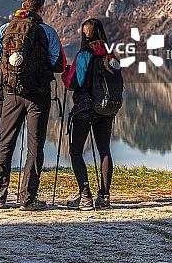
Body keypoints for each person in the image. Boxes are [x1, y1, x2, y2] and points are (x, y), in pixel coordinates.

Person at [0, 0, 66, 211]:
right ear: (41, 8)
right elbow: (59, 65)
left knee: (5, 143)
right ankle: (27, 199)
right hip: (38, 96)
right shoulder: (48, 32)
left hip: (11, 94)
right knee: (35, 146)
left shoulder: (4, 30)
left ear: (23, 5)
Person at [61, 18, 117, 210]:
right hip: (106, 108)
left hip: (85, 108)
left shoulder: (84, 54)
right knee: (104, 151)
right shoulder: (111, 55)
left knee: (76, 151)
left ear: (85, 34)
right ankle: (105, 197)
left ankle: (85, 196)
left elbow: (73, 84)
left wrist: (65, 76)